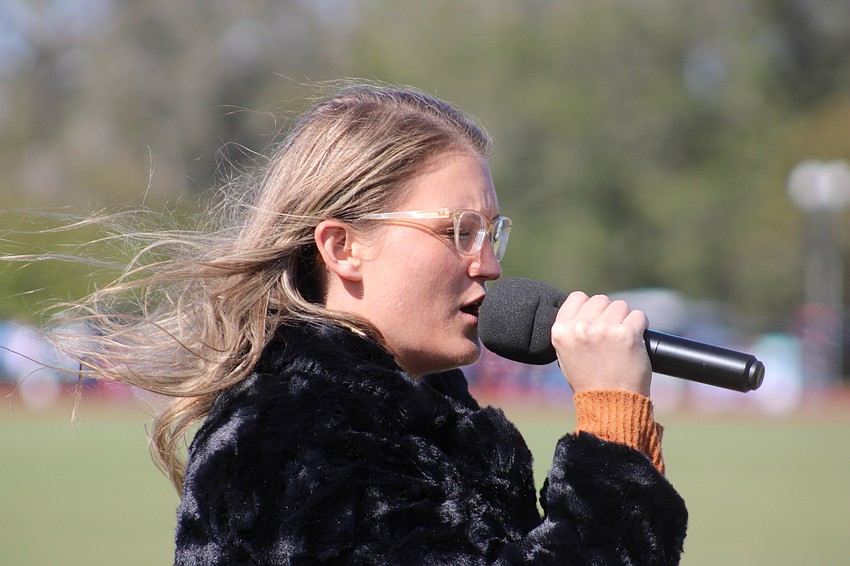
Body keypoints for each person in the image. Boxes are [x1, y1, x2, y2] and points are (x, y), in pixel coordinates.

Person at [51, 82, 687, 564]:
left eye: (492, 233)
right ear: (343, 247)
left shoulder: (410, 415)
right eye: (458, 232)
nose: (489, 264)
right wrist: (611, 427)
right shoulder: (293, 441)